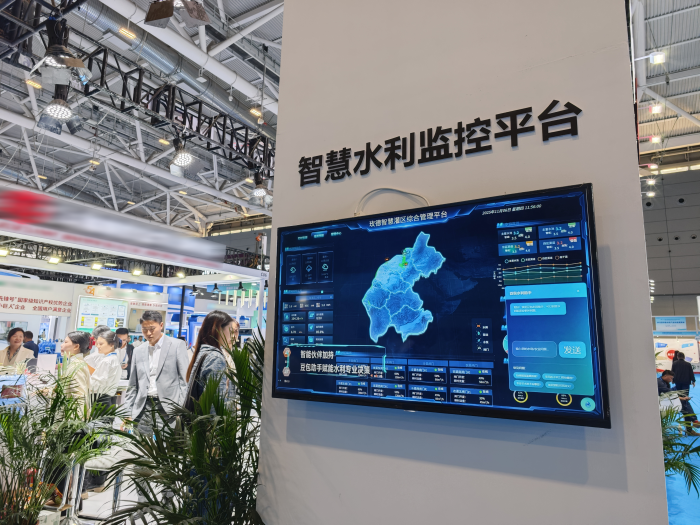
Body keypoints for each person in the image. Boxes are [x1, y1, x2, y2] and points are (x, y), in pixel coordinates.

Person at [122, 311, 189, 435]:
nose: (148, 333)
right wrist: (127, 412)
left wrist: (180, 408)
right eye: (144, 329)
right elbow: (133, 385)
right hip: (143, 407)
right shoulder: (138, 350)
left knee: (166, 444)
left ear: (161, 325)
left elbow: (185, 381)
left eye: (152, 329)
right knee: (141, 444)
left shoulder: (176, 345)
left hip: (167, 408)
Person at [185, 311, 238, 408]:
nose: (233, 336)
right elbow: (215, 404)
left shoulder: (203, 352)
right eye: (231, 331)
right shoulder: (215, 357)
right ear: (219, 329)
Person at [659, 370, 700, 436]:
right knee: (684, 404)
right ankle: (693, 422)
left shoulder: (664, 382)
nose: (671, 380)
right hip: (661, 402)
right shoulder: (660, 382)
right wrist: (682, 398)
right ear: (665, 376)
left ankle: (692, 424)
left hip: (664, 399)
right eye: (671, 378)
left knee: (685, 406)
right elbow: (669, 393)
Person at [59, 331, 92, 409]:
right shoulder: (74, 363)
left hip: (72, 414)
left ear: (76, 346)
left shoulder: (77, 367)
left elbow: (79, 397)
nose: (61, 345)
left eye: (65, 342)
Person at [85, 331, 122, 398]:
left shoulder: (106, 361)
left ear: (112, 344)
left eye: (101, 344)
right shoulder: (114, 359)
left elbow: (95, 385)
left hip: (99, 398)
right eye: (97, 343)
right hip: (108, 397)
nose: (98, 346)